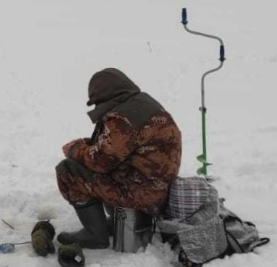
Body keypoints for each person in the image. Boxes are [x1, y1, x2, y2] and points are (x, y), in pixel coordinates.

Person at [39, 68, 181, 251]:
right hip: (156, 191)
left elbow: (101, 162)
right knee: (91, 166)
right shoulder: (143, 105)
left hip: (140, 194)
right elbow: (123, 146)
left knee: (68, 170)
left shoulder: (123, 118)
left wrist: (74, 150)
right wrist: (88, 144)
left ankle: (95, 235)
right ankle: (114, 222)